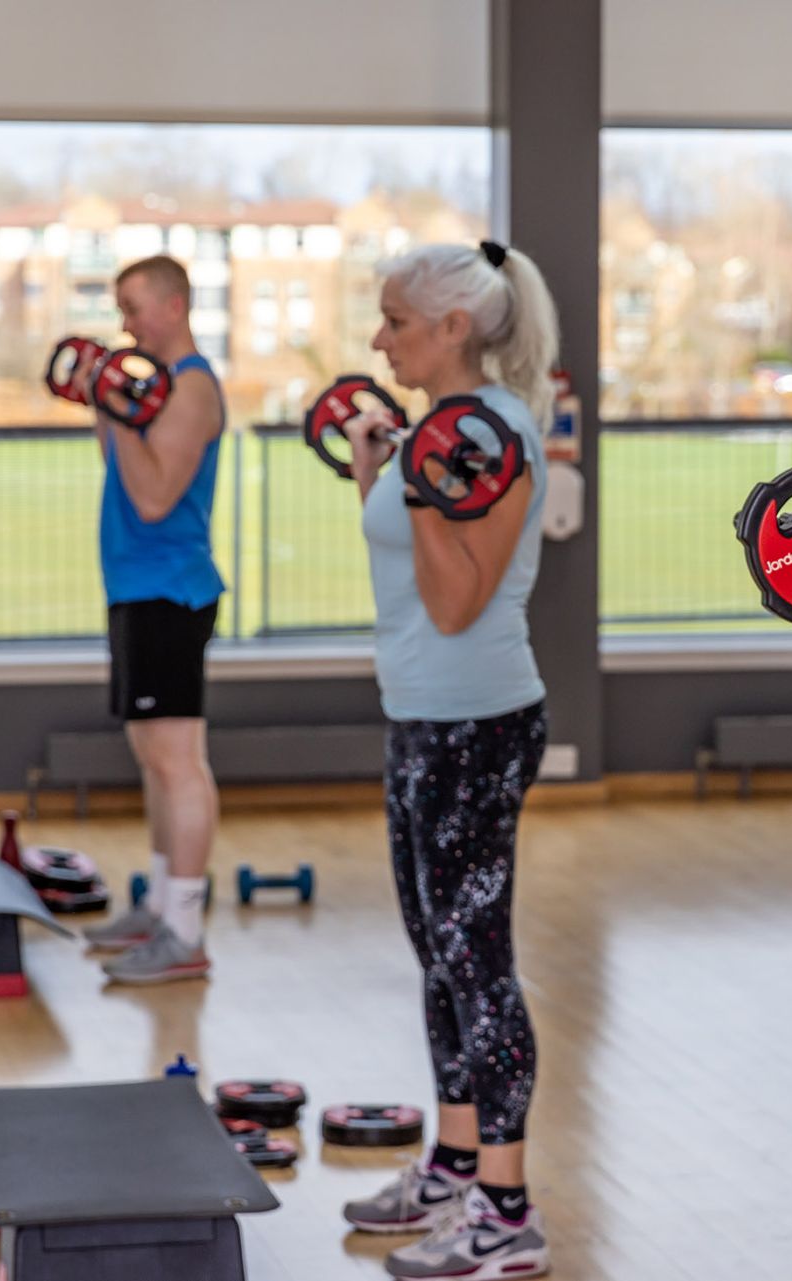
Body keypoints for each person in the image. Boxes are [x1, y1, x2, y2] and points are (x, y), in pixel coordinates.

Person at [336, 240, 559, 1281]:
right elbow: (414, 561)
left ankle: (506, 1210)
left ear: (454, 328)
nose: (379, 340)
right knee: (438, 952)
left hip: (475, 721)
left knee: (477, 960)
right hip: (422, 714)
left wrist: (419, 487)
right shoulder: (442, 433)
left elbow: (459, 599)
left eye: (395, 321)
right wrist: (386, 474)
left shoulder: (492, 433)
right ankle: (456, 1163)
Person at [76, 255, 226, 985]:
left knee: (178, 762)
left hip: (171, 590)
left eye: (134, 308)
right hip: (137, 586)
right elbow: (118, 459)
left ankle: (186, 931)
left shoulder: (192, 388)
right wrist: (105, 405)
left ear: (172, 307)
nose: (126, 324)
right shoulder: (158, 389)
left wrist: (112, 403)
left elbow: (157, 495)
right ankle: (162, 905)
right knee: (152, 760)